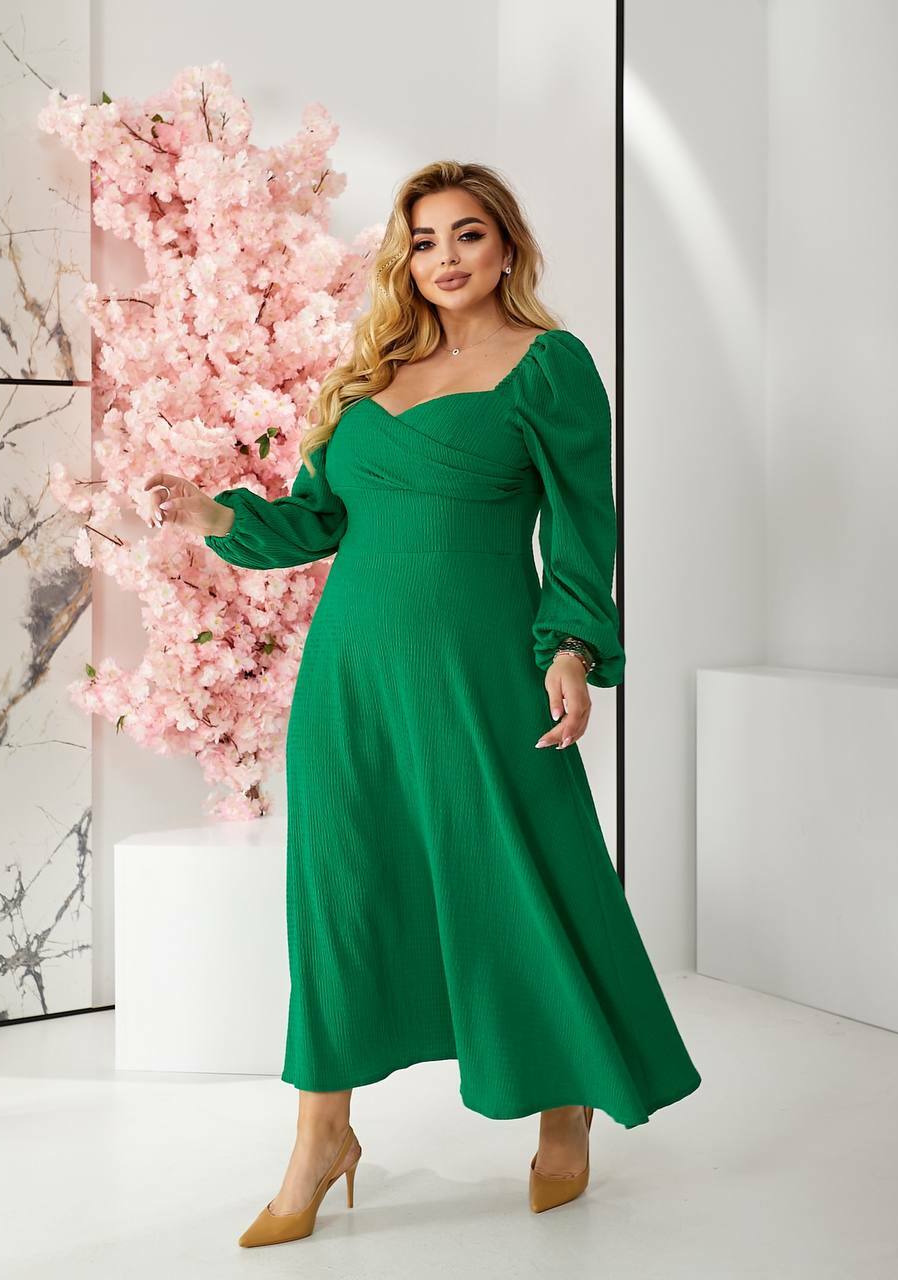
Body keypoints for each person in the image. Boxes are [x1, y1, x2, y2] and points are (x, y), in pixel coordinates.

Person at [142, 160, 701, 1247]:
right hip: (351, 677)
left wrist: (570, 647)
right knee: (341, 896)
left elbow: (582, 525)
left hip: (481, 668)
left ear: (506, 246)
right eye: (425, 239)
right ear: (404, 257)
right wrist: (213, 514)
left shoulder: (548, 365)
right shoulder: (369, 376)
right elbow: (317, 522)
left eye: (467, 234)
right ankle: (320, 1137)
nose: (445, 258)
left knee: (519, 875)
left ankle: (565, 1096)